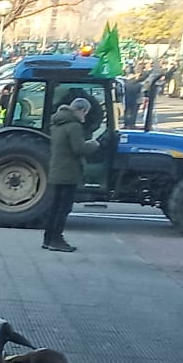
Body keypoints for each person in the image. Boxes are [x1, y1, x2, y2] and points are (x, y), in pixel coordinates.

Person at [41, 93, 103, 254]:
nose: (85, 116)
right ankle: (57, 239)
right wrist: (93, 144)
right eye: (85, 113)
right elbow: (78, 149)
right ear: (81, 110)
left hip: (56, 169)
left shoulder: (58, 123)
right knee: (64, 208)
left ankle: (48, 239)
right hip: (69, 172)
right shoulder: (74, 126)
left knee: (54, 207)